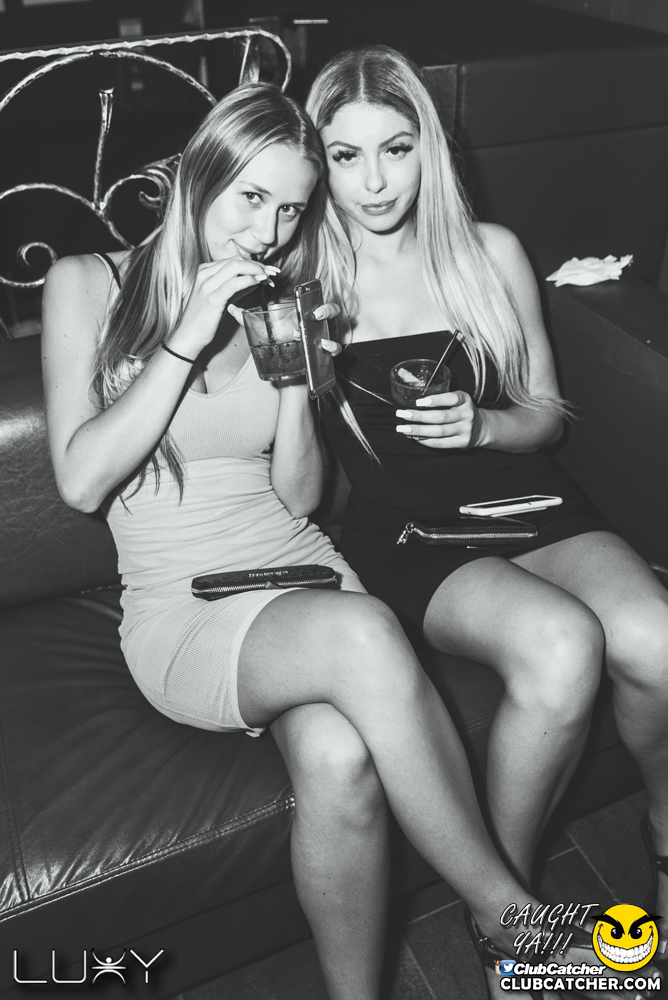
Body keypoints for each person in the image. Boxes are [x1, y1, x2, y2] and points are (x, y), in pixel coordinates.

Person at [306, 44, 668, 980]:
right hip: (407, 529)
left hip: (528, 496)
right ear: (319, 163)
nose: (374, 182)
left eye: (396, 148)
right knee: (561, 645)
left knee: (659, 641)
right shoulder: (303, 285)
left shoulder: (489, 253)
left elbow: (545, 416)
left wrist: (482, 425)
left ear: (428, 147)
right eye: (345, 156)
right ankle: (505, 911)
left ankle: (665, 837)